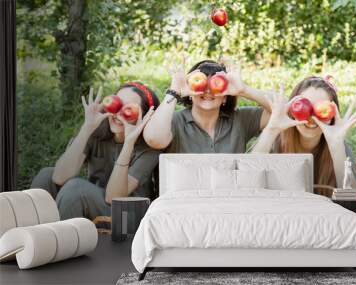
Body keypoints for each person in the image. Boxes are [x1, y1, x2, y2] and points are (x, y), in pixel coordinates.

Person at [31, 82, 160, 220]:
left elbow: (114, 197)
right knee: (46, 176)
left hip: (126, 214)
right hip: (97, 200)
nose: (119, 114)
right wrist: (87, 127)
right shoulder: (98, 130)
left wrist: (129, 143)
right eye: (117, 104)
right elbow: (59, 177)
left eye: (129, 109)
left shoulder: (149, 147)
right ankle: (31, 235)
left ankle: (62, 238)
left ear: (145, 117)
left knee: (76, 189)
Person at [252, 76, 356, 196]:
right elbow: (246, 184)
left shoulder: (340, 149)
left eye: (320, 109)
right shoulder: (274, 143)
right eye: (305, 107)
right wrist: (271, 130)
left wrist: (337, 147)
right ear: (292, 109)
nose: (312, 118)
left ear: (333, 116)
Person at [143, 59, 273, 153]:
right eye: (203, 83)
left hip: (229, 191)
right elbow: (154, 139)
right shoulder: (174, 121)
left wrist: (244, 90)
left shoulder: (241, 119)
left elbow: (284, 109)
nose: (208, 91)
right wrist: (174, 92)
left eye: (215, 85)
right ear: (190, 93)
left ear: (225, 97)